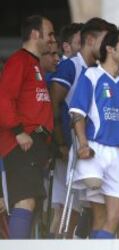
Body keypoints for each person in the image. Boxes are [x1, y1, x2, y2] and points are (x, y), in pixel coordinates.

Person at [69, 29, 119, 239]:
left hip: (117, 153)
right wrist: (83, 144)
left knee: (115, 215)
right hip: (95, 147)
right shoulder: (92, 75)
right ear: (110, 49)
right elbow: (77, 112)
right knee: (98, 205)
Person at [49, 17, 117, 238]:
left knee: (85, 210)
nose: (110, 47)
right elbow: (54, 105)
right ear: (89, 40)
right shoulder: (71, 66)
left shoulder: (100, 70)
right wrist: (59, 142)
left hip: (93, 152)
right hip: (72, 148)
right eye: (106, 41)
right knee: (66, 210)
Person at [0, 15, 56, 239]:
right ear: (35, 34)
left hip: (36, 144)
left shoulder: (35, 64)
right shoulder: (19, 61)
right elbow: (3, 98)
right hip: (20, 143)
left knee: (33, 202)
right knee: (25, 200)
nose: (53, 40)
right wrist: (18, 131)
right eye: (50, 34)